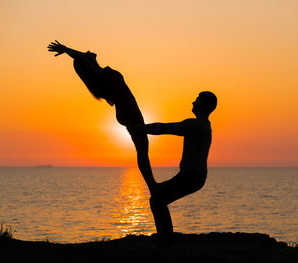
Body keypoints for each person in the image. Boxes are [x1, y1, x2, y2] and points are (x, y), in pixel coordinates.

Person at [47, 40, 157, 194]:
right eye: (86, 54)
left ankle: (152, 186)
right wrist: (66, 50)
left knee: (143, 150)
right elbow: (80, 59)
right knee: (142, 149)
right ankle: (153, 186)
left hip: (129, 110)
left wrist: (70, 51)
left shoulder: (100, 73)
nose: (88, 51)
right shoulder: (100, 77)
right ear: (88, 64)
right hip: (128, 111)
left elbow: (82, 58)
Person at [131, 91, 217, 244]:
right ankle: (166, 237)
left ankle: (165, 239)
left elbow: (165, 128)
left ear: (205, 105)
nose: (193, 102)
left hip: (191, 177)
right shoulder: (201, 125)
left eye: (197, 100)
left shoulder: (197, 125)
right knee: (158, 198)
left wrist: (140, 129)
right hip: (190, 176)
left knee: (157, 200)